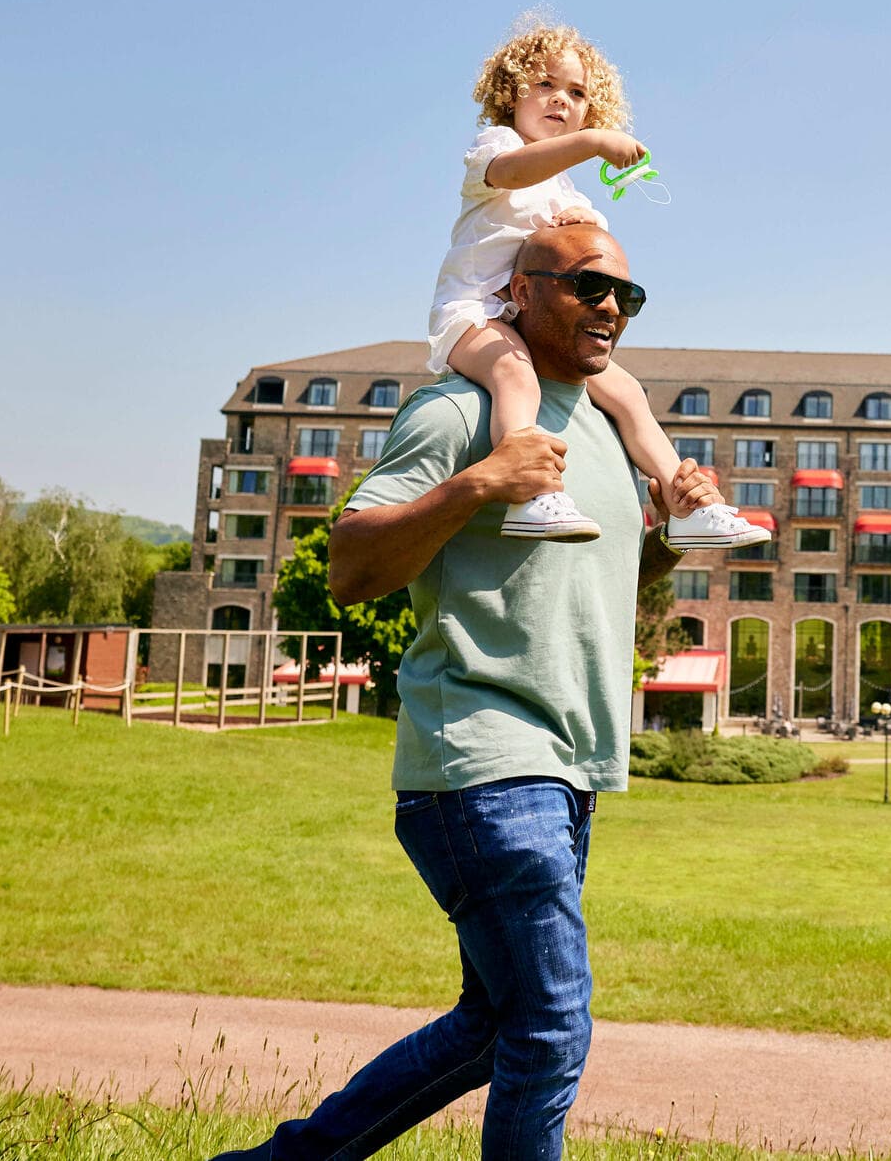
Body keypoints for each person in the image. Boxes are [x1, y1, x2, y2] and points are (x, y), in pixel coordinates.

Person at [212, 221, 719, 1161]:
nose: (611, 307)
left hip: (567, 770)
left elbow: (604, 576)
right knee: (552, 1024)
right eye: (586, 286)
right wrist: (481, 482)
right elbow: (353, 566)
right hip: (484, 758)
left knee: (497, 1023)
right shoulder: (458, 412)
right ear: (517, 291)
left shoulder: (608, 427)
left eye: (627, 295)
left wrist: (674, 533)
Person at [431, 18, 764, 551]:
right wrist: (592, 143)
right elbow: (513, 173)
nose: (560, 100)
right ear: (510, 91)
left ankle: (688, 506)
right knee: (514, 377)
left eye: (577, 93)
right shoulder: (497, 145)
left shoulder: (564, 188)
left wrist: (586, 224)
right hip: (477, 315)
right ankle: (531, 493)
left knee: (628, 393)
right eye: (545, 85)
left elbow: (590, 243)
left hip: (540, 324)